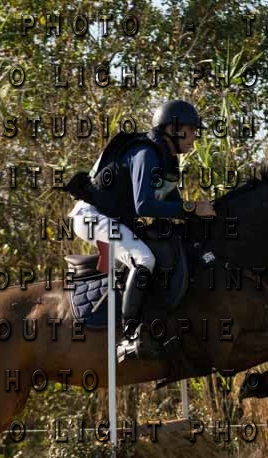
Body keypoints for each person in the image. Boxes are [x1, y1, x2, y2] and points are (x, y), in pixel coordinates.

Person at [64, 100, 216, 362]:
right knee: (143, 258)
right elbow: (143, 205)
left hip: (112, 218)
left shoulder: (166, 160)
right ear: (172, 129)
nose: (195, 137)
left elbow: (173, 205)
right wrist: (192, 208)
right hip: (90, 217)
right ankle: (129, 337)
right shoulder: (146, 154)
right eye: (191, 130)